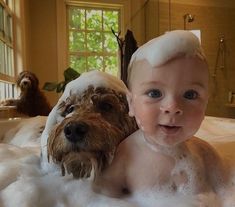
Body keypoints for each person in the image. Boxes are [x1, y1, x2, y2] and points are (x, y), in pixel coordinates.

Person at [93, 30, 229, 200]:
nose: (172, 107)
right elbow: (100, 198)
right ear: (131, 104)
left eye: (190, 95)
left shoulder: (205, 153)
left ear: (205, 104)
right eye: (154, 93)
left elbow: (228, 192)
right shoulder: (126, 156)